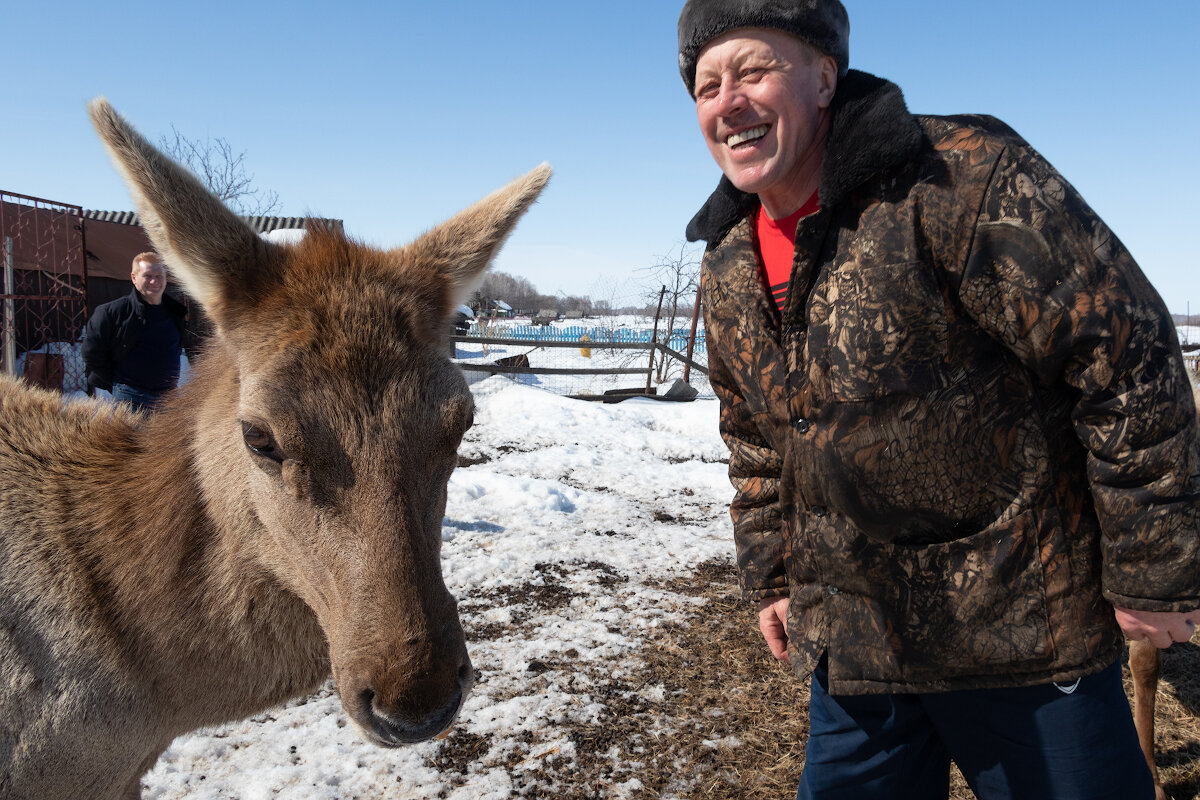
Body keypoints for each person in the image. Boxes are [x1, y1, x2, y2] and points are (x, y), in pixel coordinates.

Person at [677, 1, 1200, 798]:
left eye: (753, 70)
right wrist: (775, 575)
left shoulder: (956, 177)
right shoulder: (727, 261)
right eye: (707, 85)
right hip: (858, 647)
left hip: (1019, 633)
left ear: (824, 77)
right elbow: (755, 437)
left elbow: (1123, 354)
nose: (728, 102)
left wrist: (1156, 572)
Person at [82, 252, 188, 411]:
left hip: (169, 399)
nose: (154, 281)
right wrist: (118, 384)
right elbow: (91, 352)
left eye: (159, 275)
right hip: (132, 398)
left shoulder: (175, 312)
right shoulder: (113, 312)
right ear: (134, 278)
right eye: (148, 276)